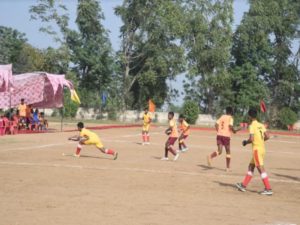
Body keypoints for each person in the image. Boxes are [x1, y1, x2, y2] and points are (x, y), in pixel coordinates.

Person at [236, 108, 273, 196]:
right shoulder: (261, 125)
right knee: (251, 166)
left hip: (256, 150)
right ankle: (243, 185)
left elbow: (251, 139)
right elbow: (267, 136)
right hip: (262, 149)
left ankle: (268, 188)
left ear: (249, 116)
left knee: (260, 168)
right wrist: (260, 140)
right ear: (256, 116)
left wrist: (245, 142)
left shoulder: (252, 126)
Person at [207, 106, 239, 172]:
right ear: (231, 112)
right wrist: (234, 131)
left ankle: (210, 156)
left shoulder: (222, 116)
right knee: (228, 152)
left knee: (219, 151)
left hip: (219, 135)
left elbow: (216, 124)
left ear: (226, 111)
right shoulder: (231, 118)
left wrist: (218, 131)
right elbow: (230, 126)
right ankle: (227, 168)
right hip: (226, 136)